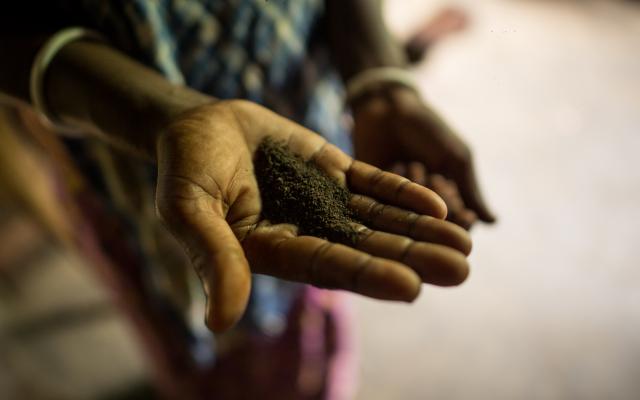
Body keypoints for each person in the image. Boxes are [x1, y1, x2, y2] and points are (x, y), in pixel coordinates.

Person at [1, 1, 494, 397]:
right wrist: (166, 116)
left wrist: (378, 81)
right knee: (209, 343)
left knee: (311, 307)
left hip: (310, 126)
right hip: (127, 176)